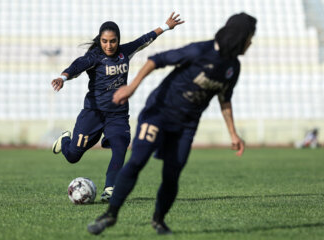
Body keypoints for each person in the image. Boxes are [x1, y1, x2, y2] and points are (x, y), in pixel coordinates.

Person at [87, 12, 257, 235]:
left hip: (186, 125)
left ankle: (159, 220)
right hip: (158, 113)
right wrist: (131, 88)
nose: (250, 42)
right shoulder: (199, 51)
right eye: (249, 37)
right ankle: (110, 215)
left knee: (172, 174)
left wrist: (233, 134)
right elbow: (154, 61)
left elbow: (224, 99)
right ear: (239, 37)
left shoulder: (233, 67)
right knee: (138, 160)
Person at [51, 13, 184, 202]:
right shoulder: (94, 57)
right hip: (93, 113)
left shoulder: (124, 52)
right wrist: (62, 77)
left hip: (117, 115)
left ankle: (110, 189)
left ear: (118, 40)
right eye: (104, 41)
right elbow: (77, 66)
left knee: (120, 146)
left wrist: (166, 26)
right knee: (73, 156)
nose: (108, 45)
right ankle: (65, 140)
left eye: (112, 41)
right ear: (100, 41)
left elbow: (144, 40)